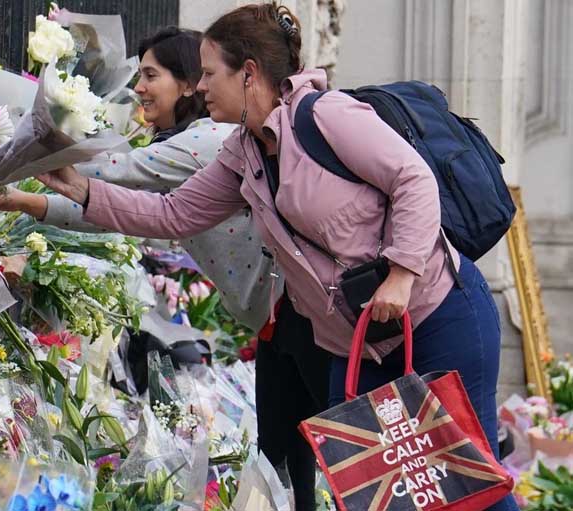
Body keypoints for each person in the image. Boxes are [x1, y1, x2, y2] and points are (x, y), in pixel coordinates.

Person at [35, 4, 517, 511]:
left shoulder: (326, 115)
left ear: (248, 74)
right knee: (379, 494)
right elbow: (172, 215)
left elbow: (413, 179)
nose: (200, 87)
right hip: (356, 346)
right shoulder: (243, 151)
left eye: (209, 73)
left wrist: (401, 275)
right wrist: (81, 189)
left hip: (436, 318)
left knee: (467, 483)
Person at [0, 26, 328, 510]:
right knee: (285, 465)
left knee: (319, 455)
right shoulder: (199, 143)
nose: (139, 87)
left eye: (151, 75)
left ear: (191, 83)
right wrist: (26, 201)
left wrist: (12, 153)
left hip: (300, 319)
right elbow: (132, 212)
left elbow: (122, 175)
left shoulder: (211, 141)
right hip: (279, 322)